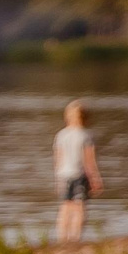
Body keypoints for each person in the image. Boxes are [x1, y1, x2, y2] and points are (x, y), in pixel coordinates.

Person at [55, 100, 103, 243]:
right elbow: (89, 160)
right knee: (80, 206)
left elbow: (58, 158)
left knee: (65, 206)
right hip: (79, 174)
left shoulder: (61, 135)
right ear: (86, 117)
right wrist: (95, 178)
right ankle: (76, 238)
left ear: (67, 116)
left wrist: (57, 179)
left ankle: (62, 238)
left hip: (63, 174)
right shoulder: (85, 135)